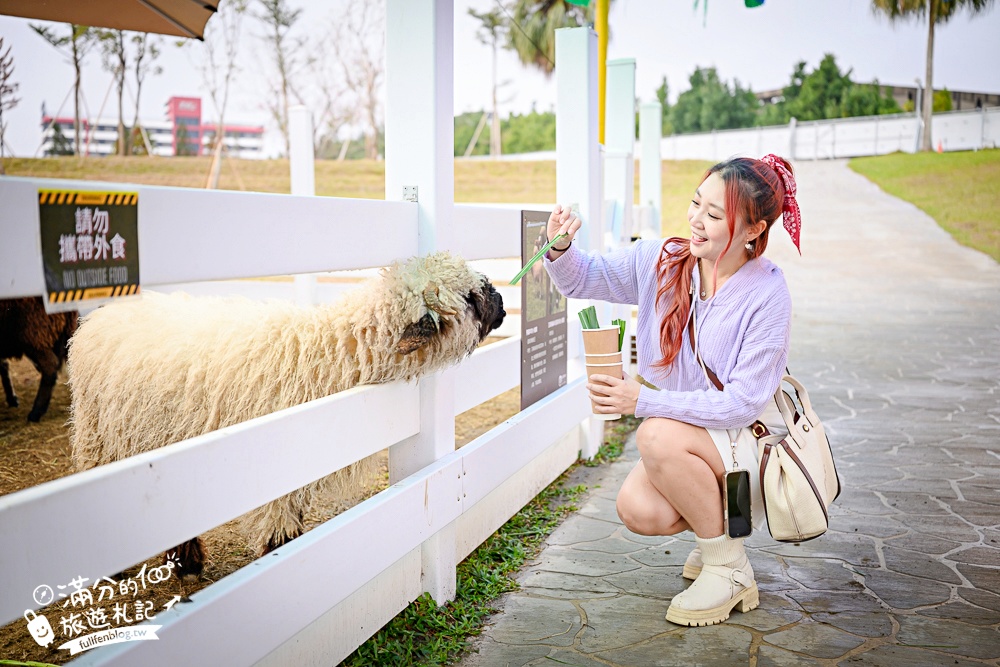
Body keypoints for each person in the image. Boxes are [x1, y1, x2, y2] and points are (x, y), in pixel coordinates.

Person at [543, 154, 802, 627]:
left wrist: (642, 400)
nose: (697, 221)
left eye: (716, 215)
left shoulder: (768, 294)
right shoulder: (662, 261)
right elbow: (585, 277)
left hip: (744, 444)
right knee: (638, 509)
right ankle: (721, 532)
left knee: (656, 434)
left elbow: (742, 403)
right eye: (696, 204)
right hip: (700, 439)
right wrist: (560, 249)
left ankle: (727, 567)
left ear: (753, 230)